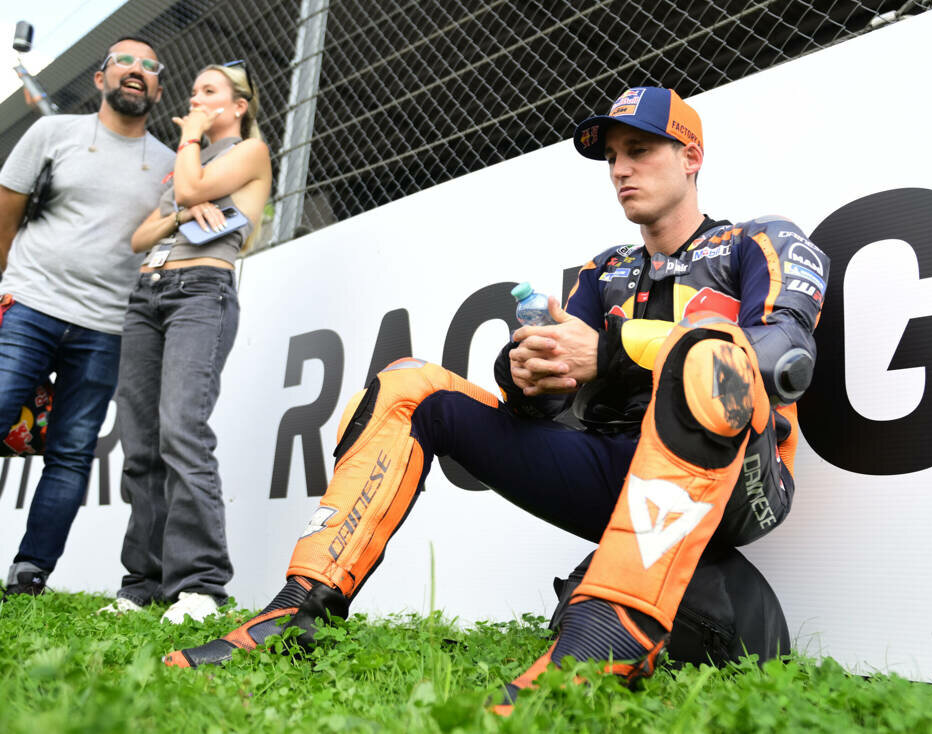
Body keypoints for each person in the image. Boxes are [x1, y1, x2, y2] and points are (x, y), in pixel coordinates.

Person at [164, 86, 828, 709]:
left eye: (641, 150)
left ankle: (599, 651)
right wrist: (526, 376)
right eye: (612, 157)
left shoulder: (759, 240)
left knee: (713, 355)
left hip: (742, 480)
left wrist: (614, 351)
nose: (621, 170)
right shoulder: (606, 269)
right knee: (408, 384)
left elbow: (779, 356)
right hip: (617, 473)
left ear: (691, 157)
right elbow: (545, 406)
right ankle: (298, 612)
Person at [97, 62, 272, 624]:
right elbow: (139, 236)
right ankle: (142, 584)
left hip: (200, 292)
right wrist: (177, 215)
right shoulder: (188, 163)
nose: (195, 99)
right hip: (147, 295)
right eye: (193, 91)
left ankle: (200, 585)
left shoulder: (249, 151)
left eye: (209, 91)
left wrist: (190, 139)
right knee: (140, 445)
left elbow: (193, 189)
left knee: (181, 431)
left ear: (238, 106)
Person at [0, 37, 173, 598]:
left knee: (72, 453)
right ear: (100, 78)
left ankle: (30, 574)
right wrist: (12, 286)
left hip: (107, 329)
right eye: (124, 61)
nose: (136, 70)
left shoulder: (171, 166)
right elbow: (5, 213)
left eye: (149, 66)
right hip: (31, 307)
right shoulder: (54, 134)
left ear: (158, 90)